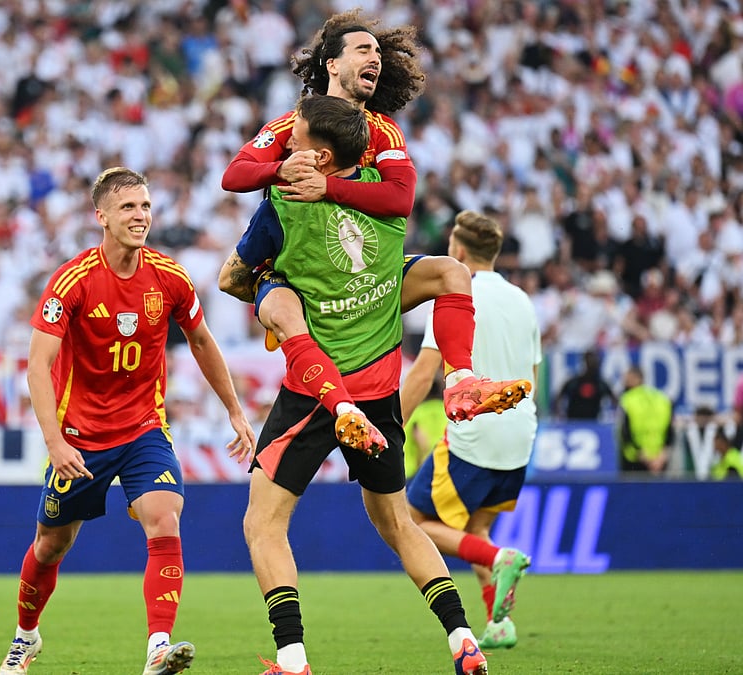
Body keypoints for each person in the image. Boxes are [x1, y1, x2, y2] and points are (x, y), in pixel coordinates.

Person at [217, 95, 487, 675]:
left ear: (315, 154)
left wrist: (265, 287)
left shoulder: (282, 206)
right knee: (397, 523)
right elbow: (400, 196)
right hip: (380, 385)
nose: (284, 143)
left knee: (263, 522)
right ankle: (462, 637)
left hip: (314, 392)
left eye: (295, 139)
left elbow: (231, 277)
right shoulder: (385, 197)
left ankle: (292, 659)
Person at [0, 167, 255, 675]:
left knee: (165, 518)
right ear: (102, 217)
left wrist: (234, 409)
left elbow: (201, 341)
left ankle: (158, 646)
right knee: (51, 544)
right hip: (79, 438)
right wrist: (54, 442)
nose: (140, 217)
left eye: (145, 206)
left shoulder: (170, 277)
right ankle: (26, 637)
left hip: (144, 430)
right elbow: (36, 365)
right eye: (128, 208)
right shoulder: (71, 281)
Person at [221, 10, 529, 427]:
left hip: (367, 281)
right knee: (244, 285)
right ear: (332, 63)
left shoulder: (383, 131)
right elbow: (234, 175)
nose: (376, 58)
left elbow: (401, 199)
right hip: (307, 278)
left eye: (379, 52)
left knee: (453, 273)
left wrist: (326, 188)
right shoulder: (295, 128)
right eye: (364, 49)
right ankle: (335, 399)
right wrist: (279, 169)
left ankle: (461, 381)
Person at [400, 210, 538, 652]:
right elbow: (532, 373)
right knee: (475, 527)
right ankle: (499, 624)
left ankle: (501, 558)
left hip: (475, 434)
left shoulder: (456, 294)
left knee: (412, 519)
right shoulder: (523, 300)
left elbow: (424, 375)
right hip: (520, 435)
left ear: (457, 251)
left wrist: (387, 427)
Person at [618, 366, 673, 475]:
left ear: (637, 378)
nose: (624, 382)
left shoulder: (627, 399)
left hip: (634, 460)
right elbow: (670, 430)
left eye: (627, 378)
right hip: (659, 461)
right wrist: (662, 455)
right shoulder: (661, 398)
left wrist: (644, 457)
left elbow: (625, 432)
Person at [552, 349, 617, 421]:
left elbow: (614, 400)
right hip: (572, 423)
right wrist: (559, 414)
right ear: (584, 362)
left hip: (593, 423)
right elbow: (558, 398)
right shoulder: (574, 382)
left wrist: (614, 416)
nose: (591, 363)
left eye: (594, 361)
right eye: (589, 360)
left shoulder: (600, 384)